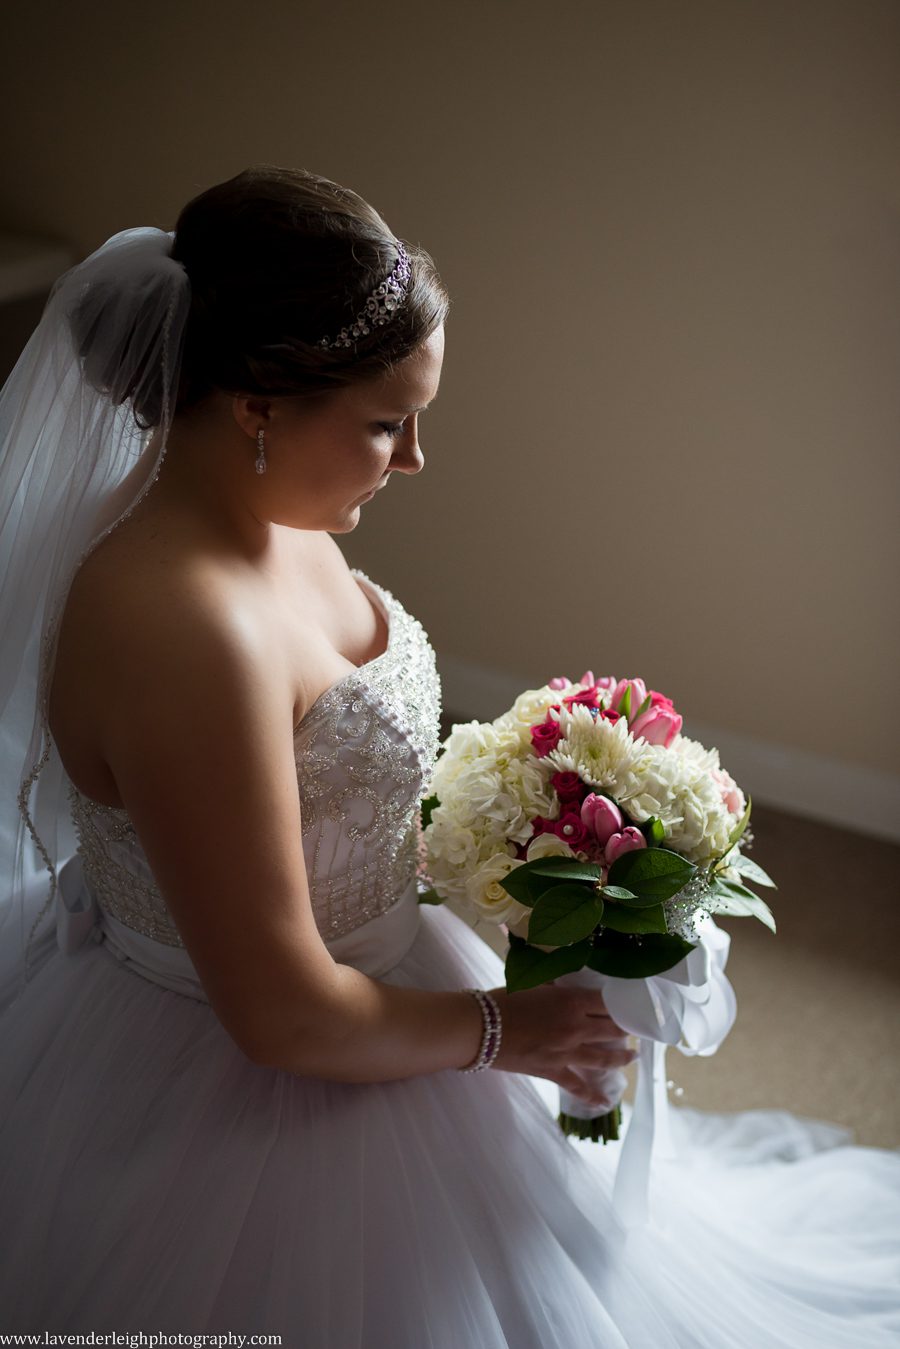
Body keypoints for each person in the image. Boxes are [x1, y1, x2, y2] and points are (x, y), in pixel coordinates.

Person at [0, 166, 897, 1346]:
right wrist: (506, 1031)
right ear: (259, 402)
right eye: (384, 421)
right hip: (261, 1061)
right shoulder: (185, 631)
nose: (413, 456)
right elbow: (282, 1019)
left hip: (385, 964)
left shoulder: (266, 510)